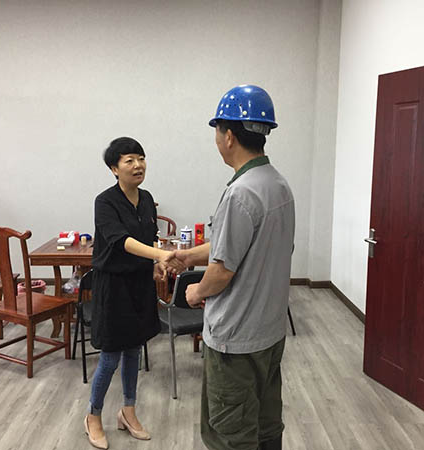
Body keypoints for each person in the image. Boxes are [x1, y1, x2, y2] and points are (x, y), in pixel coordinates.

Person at [174, 85, 295, 450]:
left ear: (228, 136)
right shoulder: (278, 185)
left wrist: (194, 291)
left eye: (217, 131)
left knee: (230, 435)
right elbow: (242, 245)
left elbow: (222, 272)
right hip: (269, 333)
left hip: (235, 341)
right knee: (266, 426)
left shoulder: (240, 192)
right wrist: (189, 256)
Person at [84, 137, 185, 449]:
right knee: (110, 356)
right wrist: (160, 255)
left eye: (141, 158)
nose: (138, 165)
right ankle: (93, 416)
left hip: (140, 284)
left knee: (134, 352)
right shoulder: (105, 202)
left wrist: (156, 264)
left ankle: (128, 411)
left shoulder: (147, 198)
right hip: (113, 287)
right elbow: (122, 241)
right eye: (129, 160)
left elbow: (149, 237)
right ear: (114, 168)